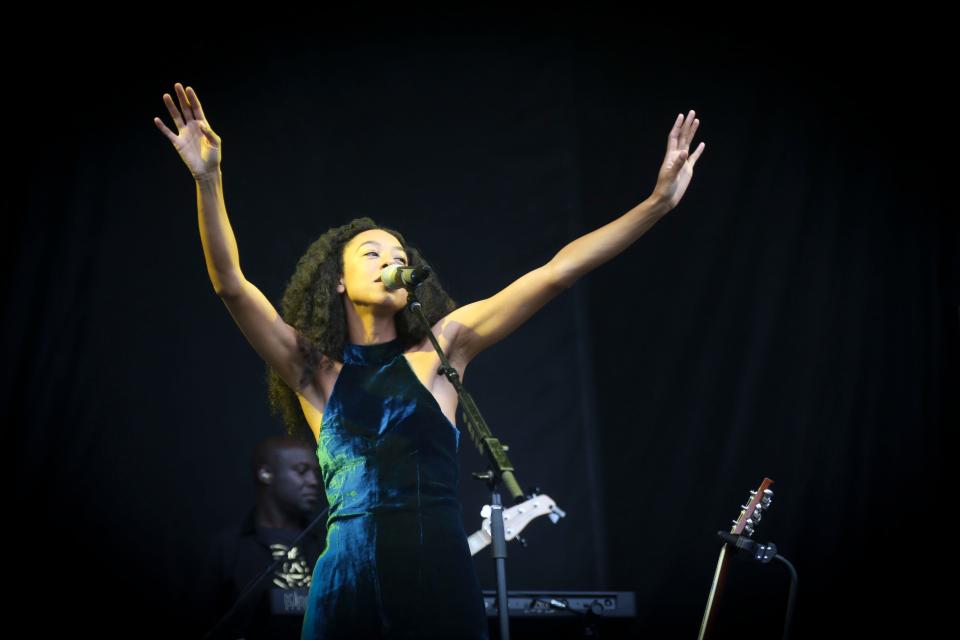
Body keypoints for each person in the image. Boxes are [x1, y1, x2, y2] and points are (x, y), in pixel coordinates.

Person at [154, 81, 705, 639]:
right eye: (370, 253)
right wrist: (208, 179)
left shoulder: (446, 346)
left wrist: (655, 205)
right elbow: (231, 286)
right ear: (338, 283)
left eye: (398, 255)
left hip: (438, 578)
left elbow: (556, 272)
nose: (388, 260)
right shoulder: (314, 372)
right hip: (346, 584)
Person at [193, 435, 325, 639]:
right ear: (265, 473)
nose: (314, 482)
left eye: (316, 473)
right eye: (301, 471)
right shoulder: (227, 549)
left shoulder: (329, 545)